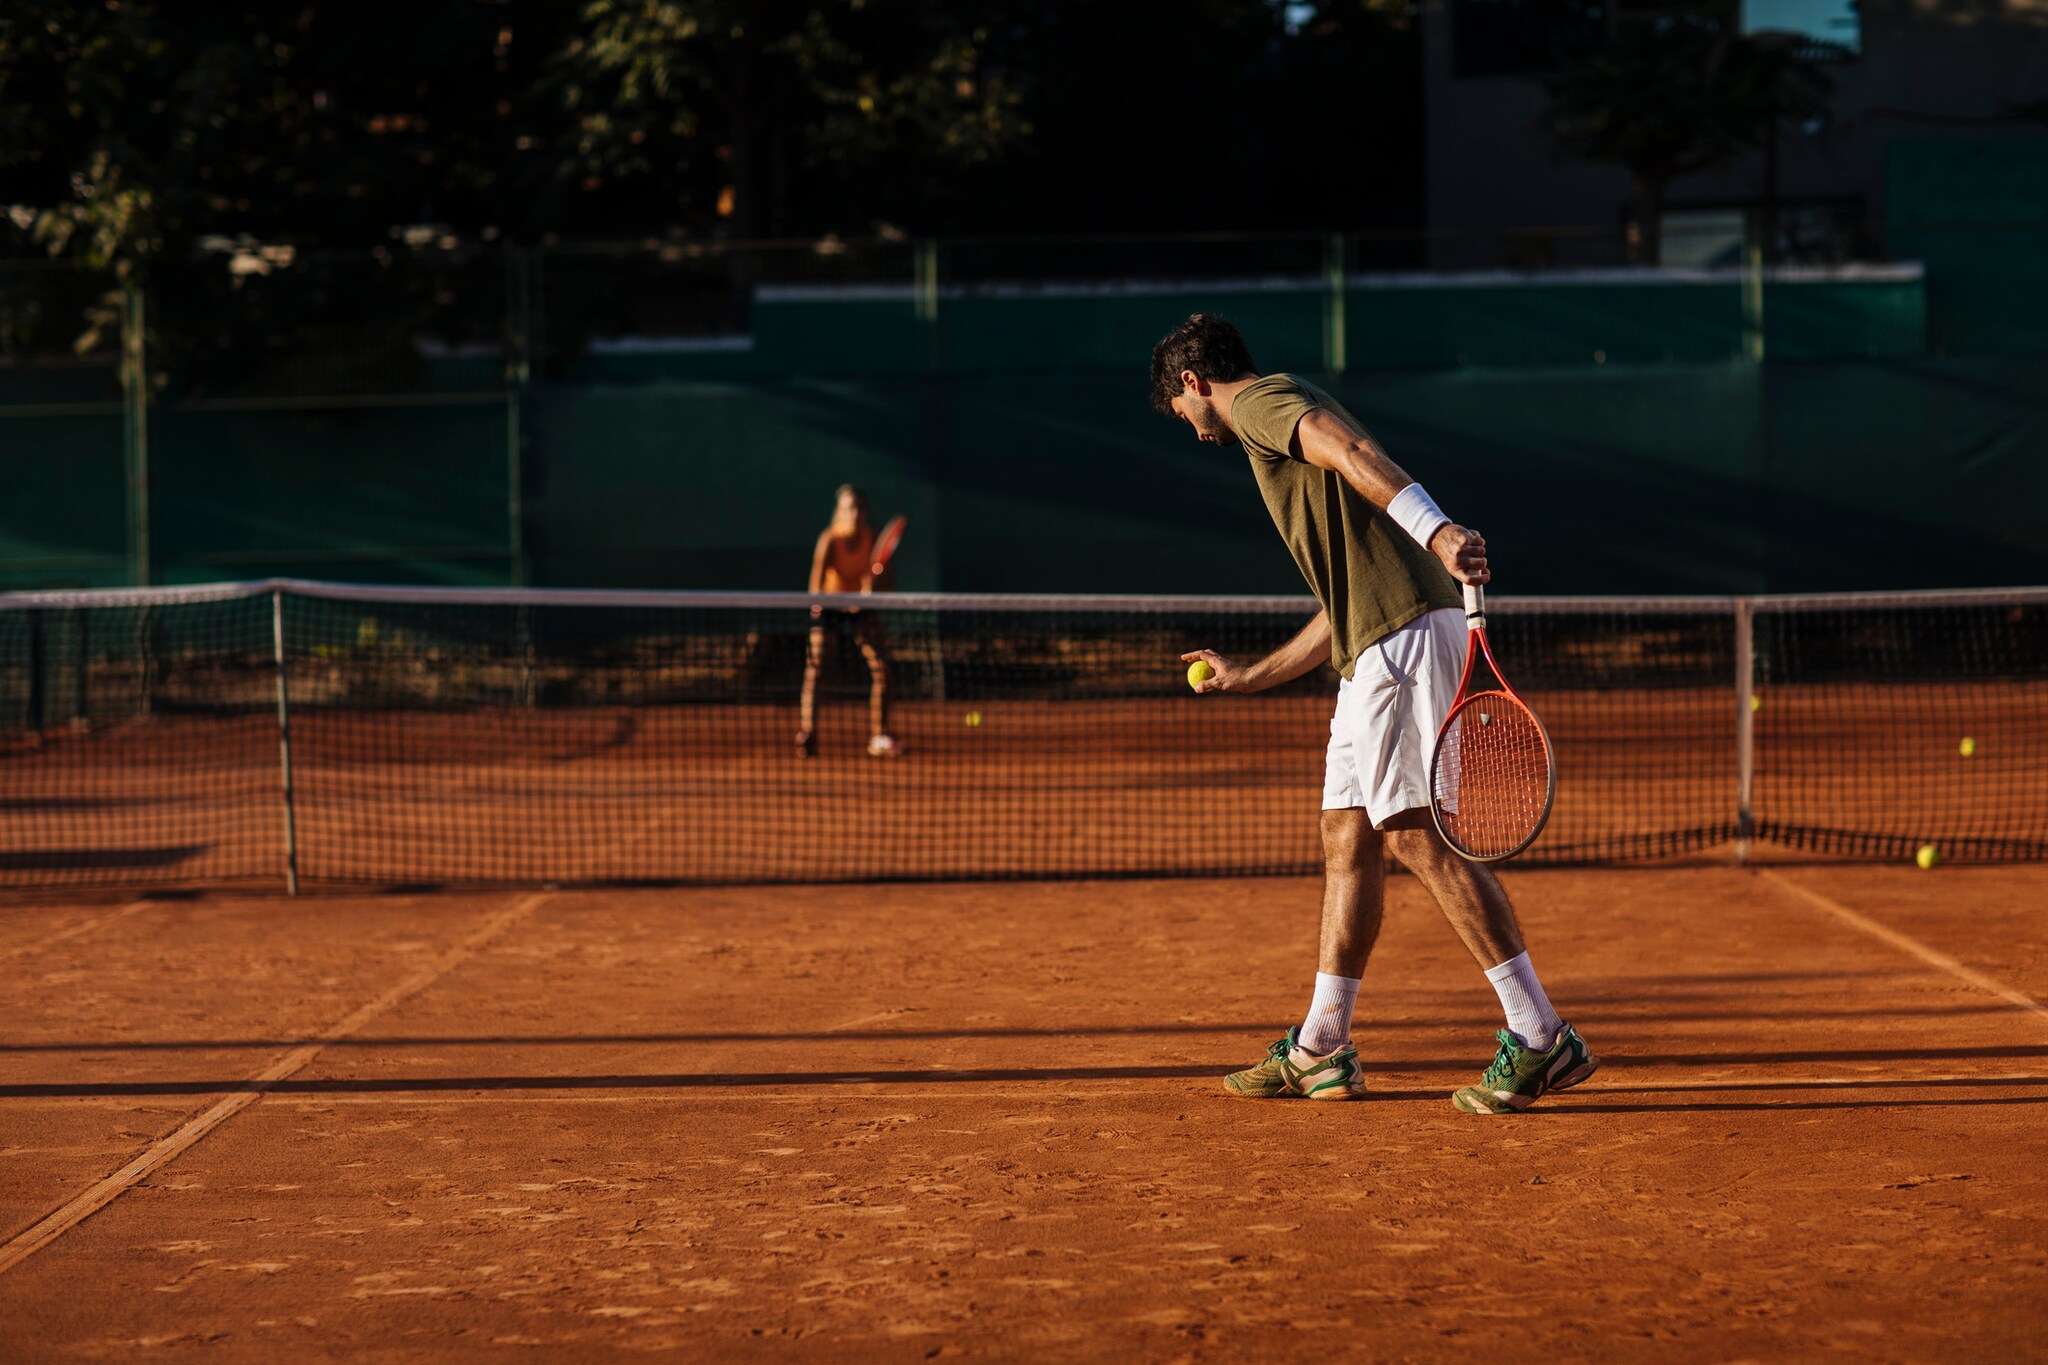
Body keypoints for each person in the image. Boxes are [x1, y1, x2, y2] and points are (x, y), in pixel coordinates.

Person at [1154, 313, 1595, 1114]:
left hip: (1404, 640)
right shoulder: (1283, 427)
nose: (1190, 426)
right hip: (1372, 644)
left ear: (1194, 382)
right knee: (1347, 834)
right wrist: (1251, 675)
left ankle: (1541, 1034)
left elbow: (1348, 447)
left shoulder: (1258, 402)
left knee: (1414, 834)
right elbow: (1340, 606)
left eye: (1181, 410)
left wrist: (1437, 530)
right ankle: (1322, 1047)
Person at [798, 484, 898, 759]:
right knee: (815, 668)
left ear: (864, 512)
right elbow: (815, 588)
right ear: (838, 512)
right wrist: (821, 615)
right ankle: (808, 732)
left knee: (883, 668)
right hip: (829, 607)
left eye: (858, 508)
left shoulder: (872, 538)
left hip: (862, 609)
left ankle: (879, 735)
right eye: (848, 508)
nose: (854, 514)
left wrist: (873, 587)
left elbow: (888, 585)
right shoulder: (829, 540)